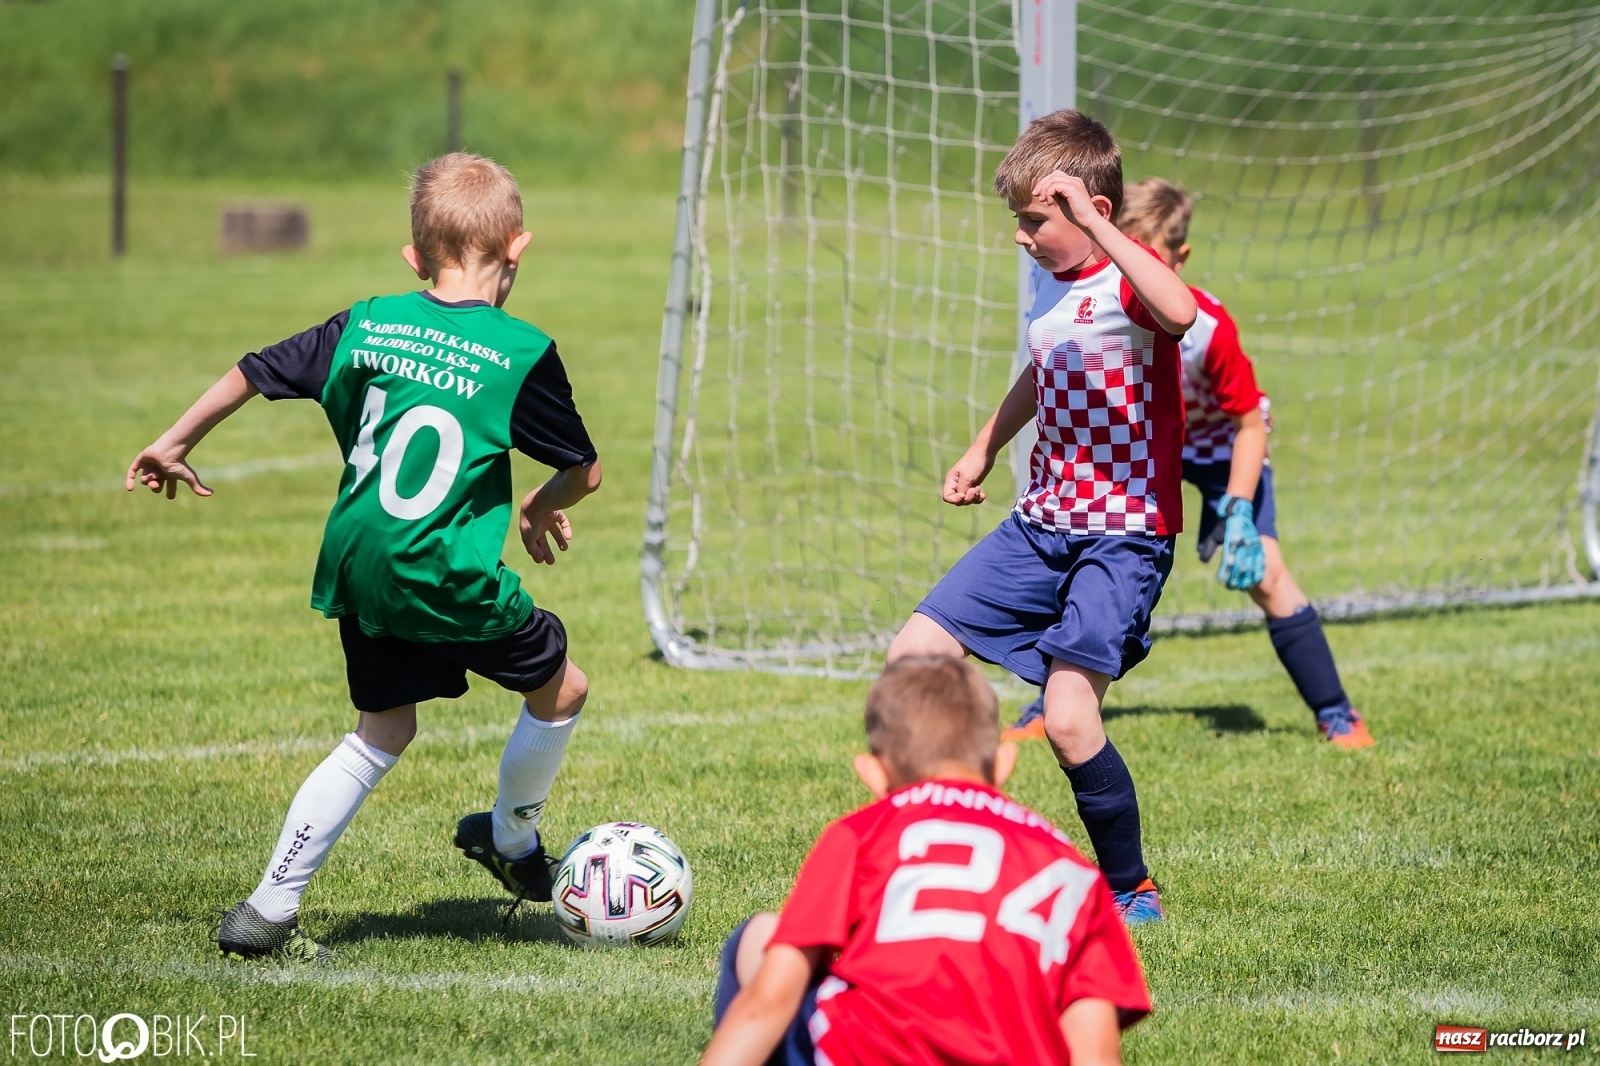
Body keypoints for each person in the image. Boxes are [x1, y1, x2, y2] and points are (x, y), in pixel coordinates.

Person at [125, 152, 602, 961]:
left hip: (359, 563)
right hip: (446, 571)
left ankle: (269, 906)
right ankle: (514, 841)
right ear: (518, 250)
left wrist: (174, 441)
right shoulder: (521, 351)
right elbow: (584, 471)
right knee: (563, 690)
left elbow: (254, 370)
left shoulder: (367, 321)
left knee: (381, 731)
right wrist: (538, 504)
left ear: (413, 259)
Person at [886, 110, 1196, 925]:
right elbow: (1040, 373)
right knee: (913, 656)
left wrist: (1101, 225)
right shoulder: (1053, 297)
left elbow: (1180, 312)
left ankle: (1130, 886)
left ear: (1088, 208)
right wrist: (984, 447)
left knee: (1065, 718)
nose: (1021, 238)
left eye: (1033, 221)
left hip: (1122, 537)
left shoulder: (1130, 281)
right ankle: (943, 849)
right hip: (1040, 525)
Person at [1007, 178, 1372, 749]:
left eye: (1152, 257)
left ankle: (1337, 713)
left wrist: (1239, 512)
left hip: (1225, 451)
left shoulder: (1205, 327)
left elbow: (1250, 425)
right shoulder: (1094, 307)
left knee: (1267, 574)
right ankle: (1045, 703)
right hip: (1146, 448)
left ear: (1179, 258)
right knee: (1081, 564)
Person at [702, 656, 1151, 1066]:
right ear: (1003, 765)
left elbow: (769, 1001)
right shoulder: (1072, 869)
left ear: (873, 774)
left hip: (869, 1051)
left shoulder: (861, 833)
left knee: (760, 935)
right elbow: (1094, 1050)